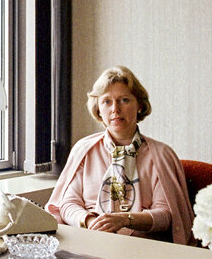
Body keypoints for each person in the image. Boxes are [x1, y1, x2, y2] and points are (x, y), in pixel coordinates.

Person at [45, 66, 195, 245]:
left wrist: (125, 219)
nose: (115, 109)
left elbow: (167, 215)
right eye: (106, 102)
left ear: (139, 105)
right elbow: (68, 204)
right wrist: (92, 222)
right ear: (98, 110)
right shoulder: (84, 150)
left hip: (144, 248)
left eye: (124, 100)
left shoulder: (162, 155)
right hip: (90, 243)